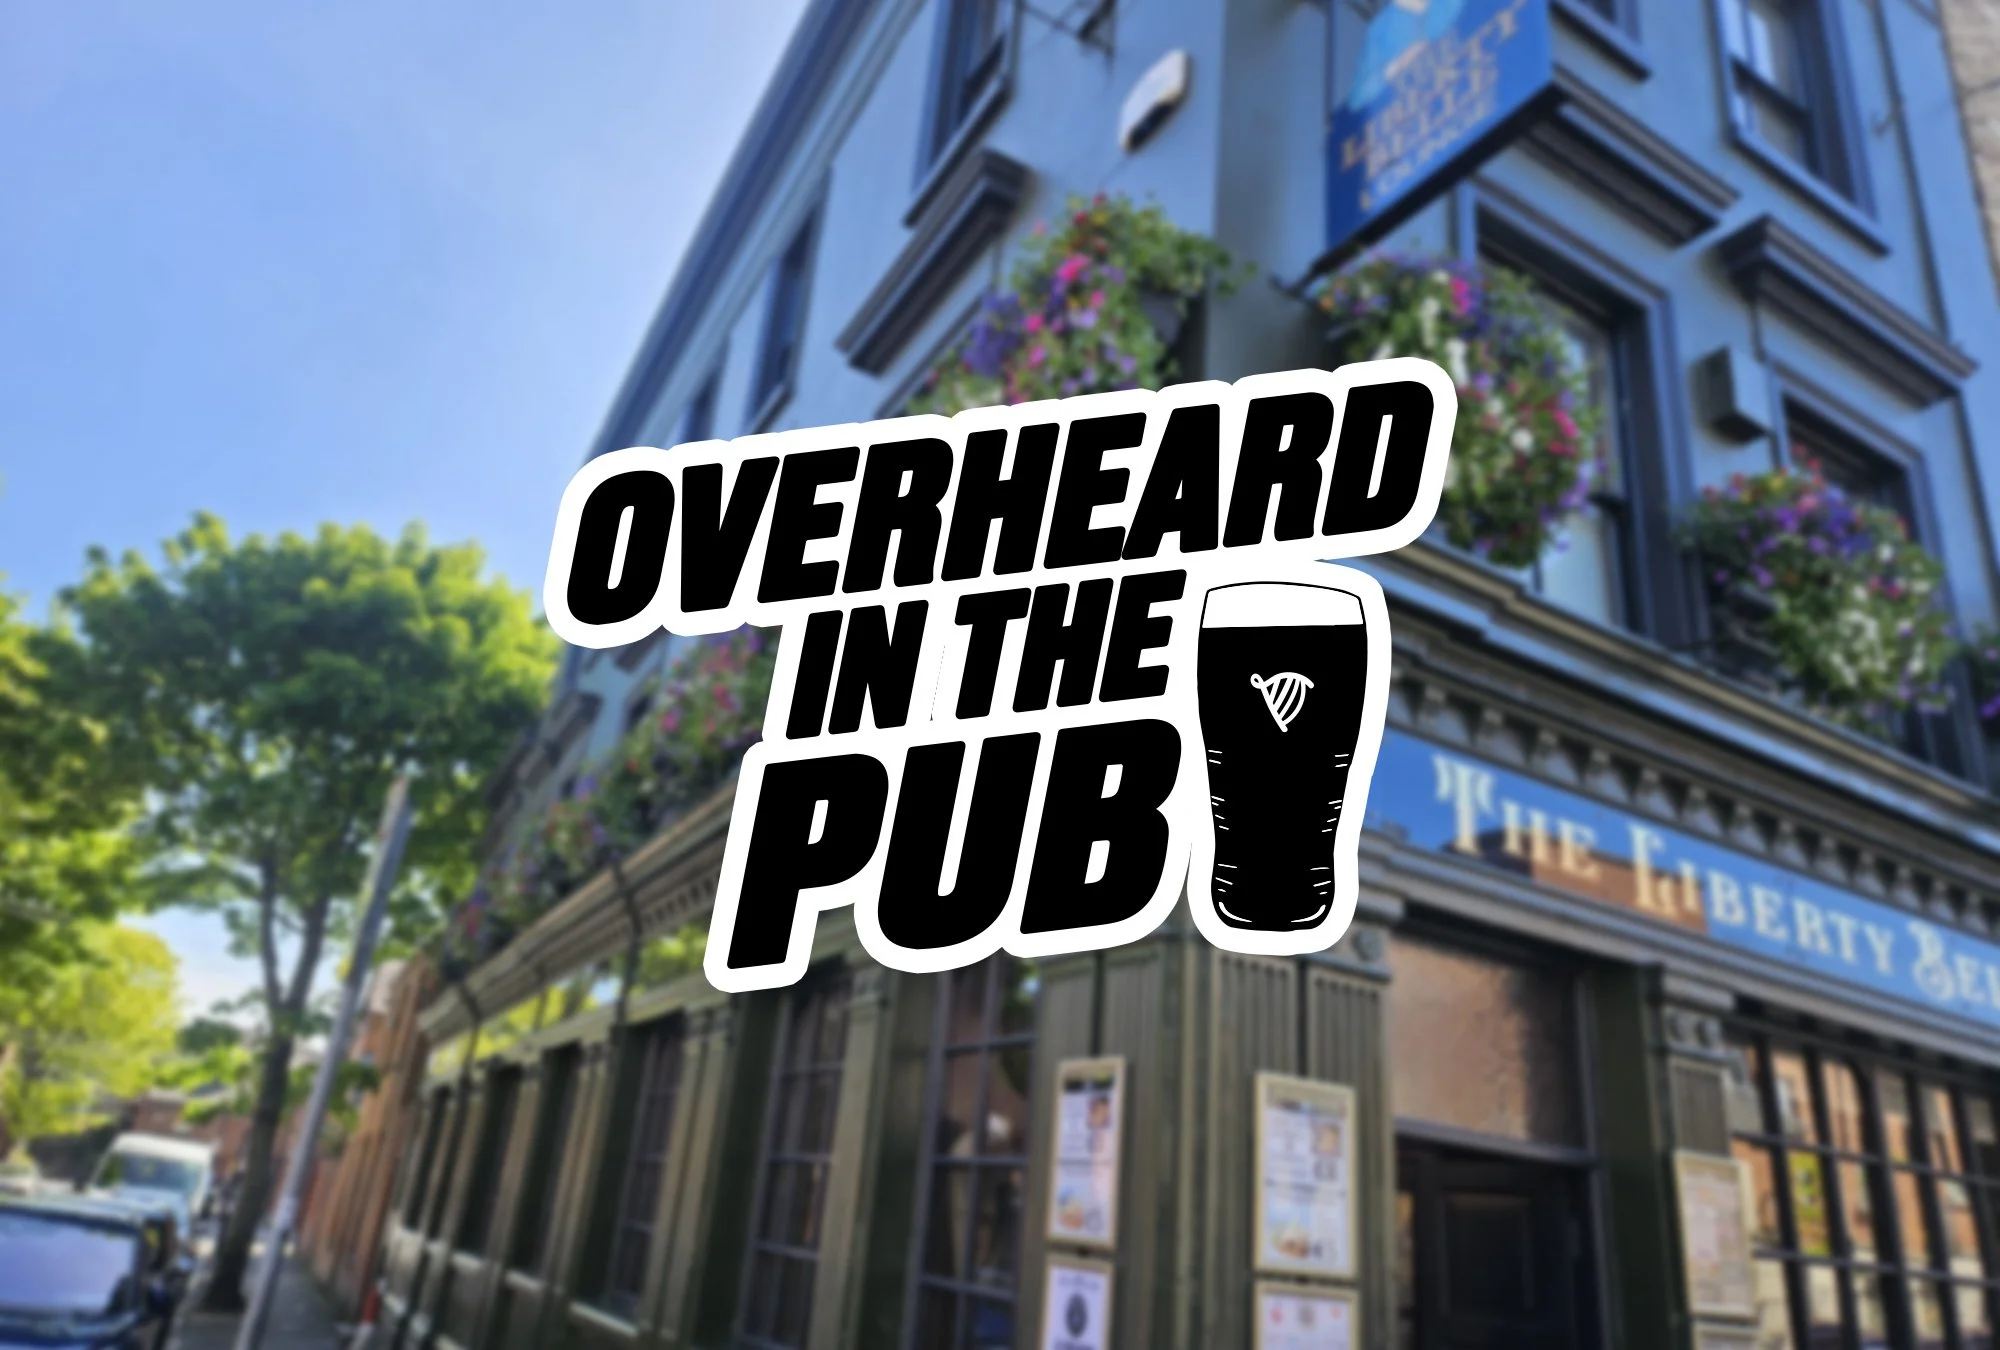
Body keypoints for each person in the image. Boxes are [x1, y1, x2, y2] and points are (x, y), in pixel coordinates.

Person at [1346, 0, 1467, 111]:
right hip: (1419, 121)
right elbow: (1357, 102)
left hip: (1466, 103)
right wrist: (1397, 65)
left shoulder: (1450, 3)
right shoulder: (1380, 30)